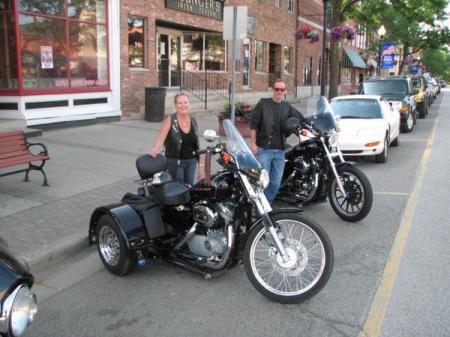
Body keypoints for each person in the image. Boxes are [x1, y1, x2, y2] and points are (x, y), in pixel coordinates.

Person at [250, 79, 304, 203]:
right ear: (272, 90)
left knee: (275, 183)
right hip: (265, 150)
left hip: (280, 151)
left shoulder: (286, 106)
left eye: (281, 89)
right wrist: (253, 144)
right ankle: (255, 207)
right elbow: (254, 125)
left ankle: (266, 204)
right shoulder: (263, 104)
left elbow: (300, 118)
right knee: (262, 182)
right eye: (276, 89)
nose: (279, 92)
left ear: (285, 91)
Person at [149, 92, 199, 185]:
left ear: (189, 104)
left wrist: (201, 164)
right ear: (175, 106)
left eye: (185, 102)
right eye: (180, 103)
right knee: (178, 189)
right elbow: (161, 137)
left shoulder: (193, 120)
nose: (183, 105)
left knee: (189, 188)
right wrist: (155, 148)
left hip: (191, 162)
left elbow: (196, 143)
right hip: (175, 163)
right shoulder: (170, 119)